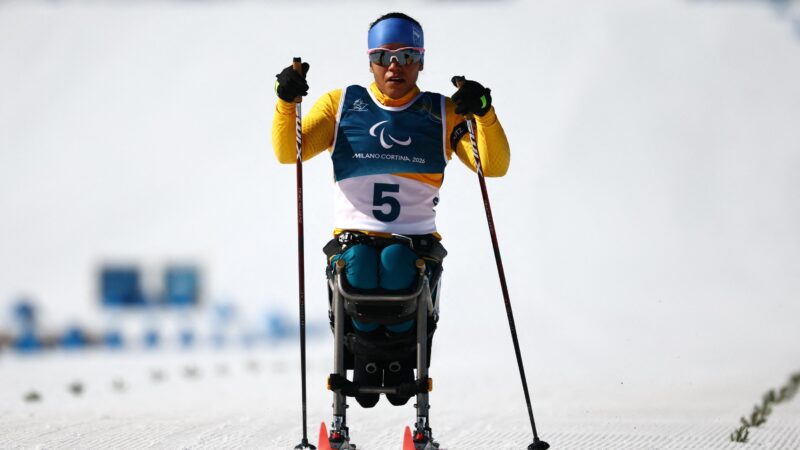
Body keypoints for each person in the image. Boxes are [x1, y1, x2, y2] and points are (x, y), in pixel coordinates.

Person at [272, 12, 510, 409]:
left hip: (414, 243)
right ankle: (366, 359)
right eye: (383, 57)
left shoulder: (443, 111)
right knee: (362, 264)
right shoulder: (341, 104)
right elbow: (288, 153)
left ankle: (397, 364)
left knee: (398, 261)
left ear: (421, 60)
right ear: (370, 62)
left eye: (406, 56)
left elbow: (493, 165)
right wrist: (286, 102)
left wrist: (483, 112)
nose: (394, 66)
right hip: (354, 239)